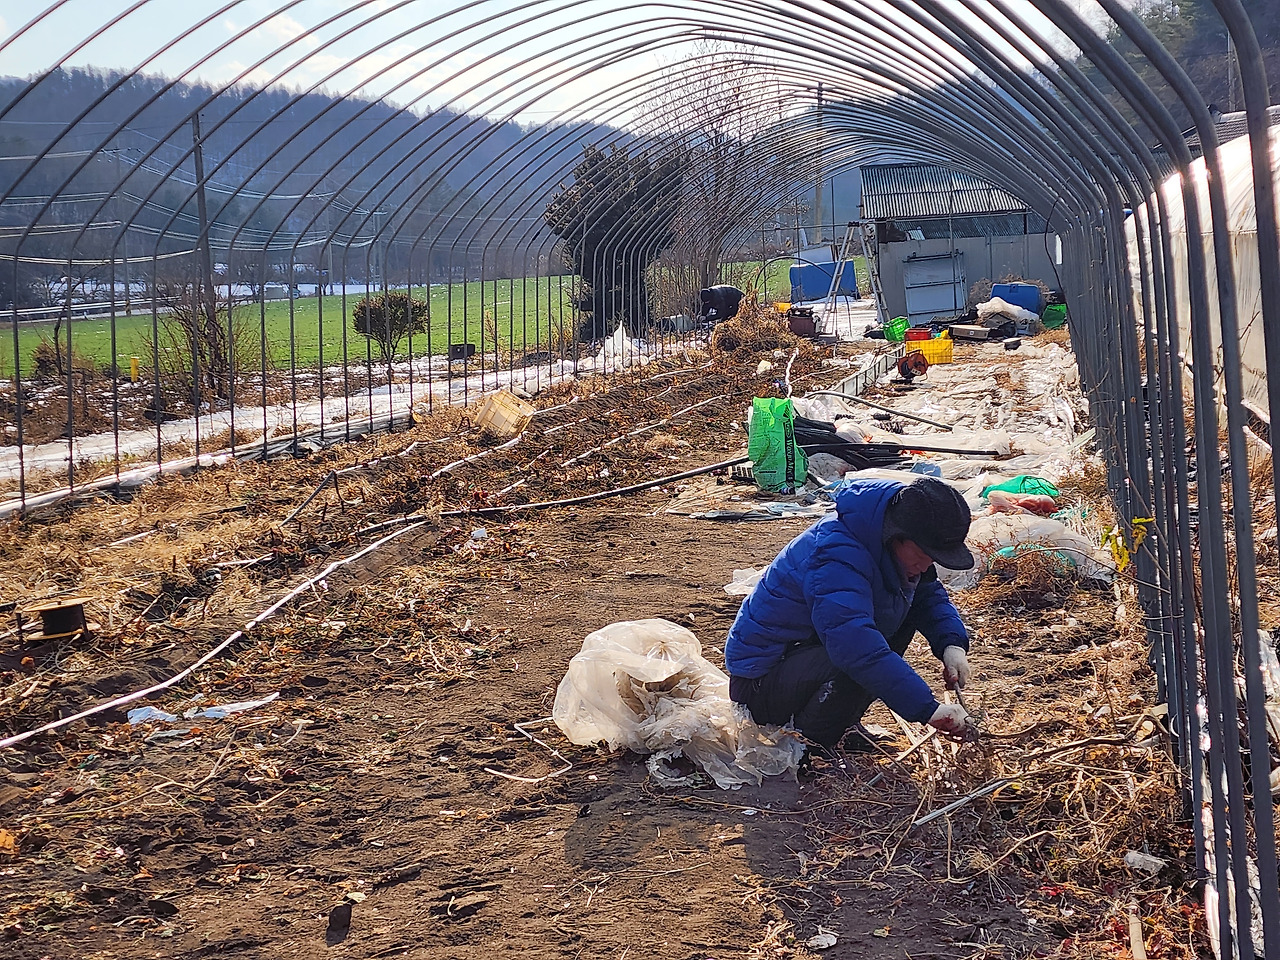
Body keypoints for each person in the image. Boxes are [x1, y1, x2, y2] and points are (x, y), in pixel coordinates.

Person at [725, 476, 975, 753]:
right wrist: (928, 709)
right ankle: (811, 745)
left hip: (805, 656)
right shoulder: (836, 554)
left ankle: (841, 725)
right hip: (761, 683)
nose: (926, 564)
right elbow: (855, 648)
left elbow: (928, 596)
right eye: (922, 553)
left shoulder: (890, 547)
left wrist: (951, 644)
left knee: (898, 622)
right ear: (896, 534)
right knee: (857, 654)